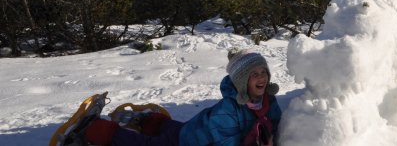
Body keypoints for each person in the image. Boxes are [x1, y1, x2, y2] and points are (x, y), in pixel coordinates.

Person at [84, 49, 282, 146]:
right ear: (241, 81)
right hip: (190, 142)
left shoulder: (269, 101)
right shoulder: (228, 110)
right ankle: (98, 129)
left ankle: (149, 120)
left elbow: (277, 123)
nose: (261, 78)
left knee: (172, 129)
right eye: (254, 74)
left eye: (263, 72)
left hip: (193, 130)